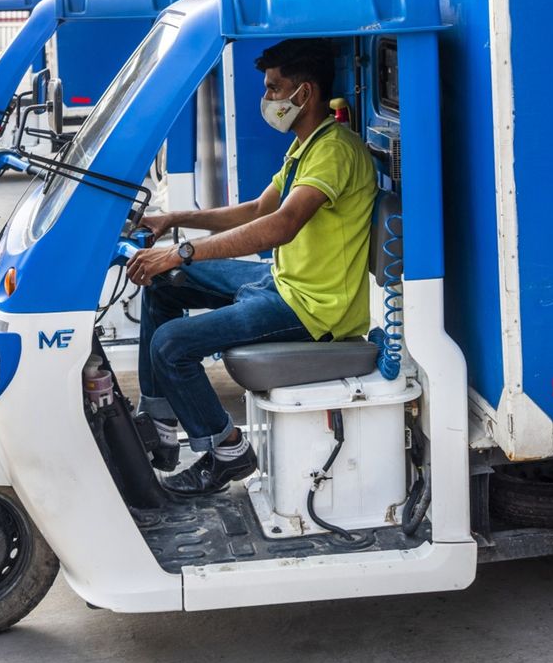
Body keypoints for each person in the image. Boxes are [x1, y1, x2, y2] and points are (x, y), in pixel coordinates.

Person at [126, 38, 376, 496]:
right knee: (162, 282)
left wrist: (185, 251)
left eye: (274, 89)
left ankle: (227, 451)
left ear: (306, 92)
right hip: (279, 284)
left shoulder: (335, 151)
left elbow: (281, 225)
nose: (268, 100)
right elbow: (258, 209)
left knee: (171, 345)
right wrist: (175, 220)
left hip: (313, 310)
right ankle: (159, 421)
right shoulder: (308, 146)